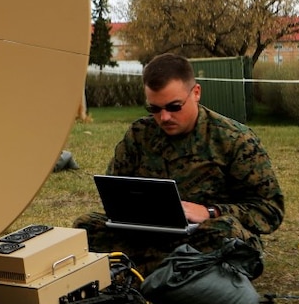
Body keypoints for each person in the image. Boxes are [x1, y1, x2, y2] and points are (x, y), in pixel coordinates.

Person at [73, 53, 284, 276]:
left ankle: (141, 274)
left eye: (174, 107)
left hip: (203, 234)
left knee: (226, 233)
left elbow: (270, 210)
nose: (164, 117)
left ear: (196, 93)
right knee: (85, 227)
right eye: (154, 109)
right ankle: (162, 273)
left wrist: (210, 212)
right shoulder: (139, 135)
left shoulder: (234, 140)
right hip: (148, 233)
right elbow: (115, 192)